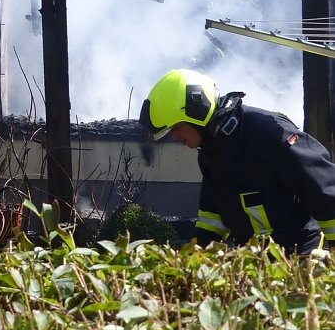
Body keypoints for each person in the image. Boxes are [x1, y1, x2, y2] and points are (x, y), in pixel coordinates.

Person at [139, 68, 335, 254]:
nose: (174, 136)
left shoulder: (269, 132)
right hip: (251, 262)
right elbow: (212, 215)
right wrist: (196, 258)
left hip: (300, 258)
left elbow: (324, 192)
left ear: (196, 112)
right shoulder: (211, 151)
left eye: (175, 127)